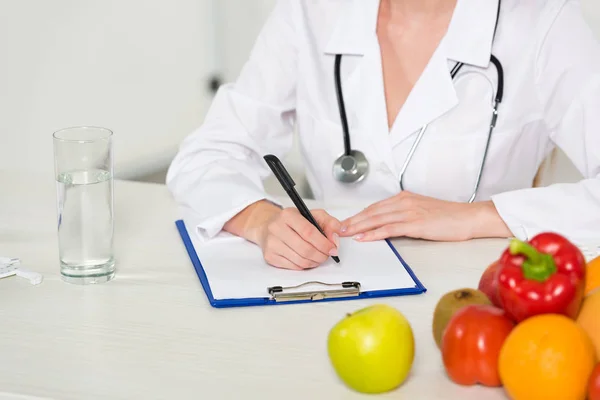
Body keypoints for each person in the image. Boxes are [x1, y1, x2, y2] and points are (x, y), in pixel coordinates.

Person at [166, 0, 600, 271]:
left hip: (479, 301)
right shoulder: (310, 12)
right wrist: (260, 220)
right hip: (327, 289)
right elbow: (207, 155)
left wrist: (478, 216)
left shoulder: (545, 24)